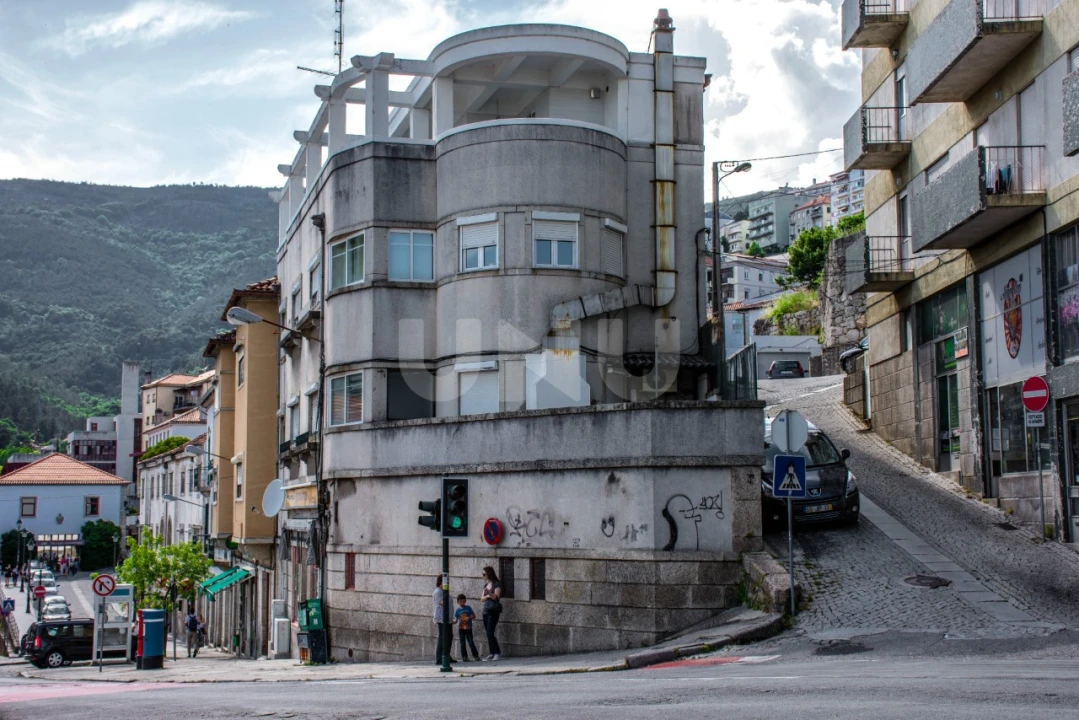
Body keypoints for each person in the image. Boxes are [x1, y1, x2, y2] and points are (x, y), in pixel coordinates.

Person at [480, 565, 503, 661]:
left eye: (484, 574)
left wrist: (488, 594)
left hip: (493, 611)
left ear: (489, 574)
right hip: (486, 610)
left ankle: (497, 652)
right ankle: (491, 652)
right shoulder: (486, 585)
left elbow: (496, 597)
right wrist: (487, 595)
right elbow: (482, 598)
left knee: (490, 632)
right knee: (487, 632)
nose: (483, 576)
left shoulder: (497, 584)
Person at [454, 594, 480, 662]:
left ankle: (476, 656)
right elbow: (456, 620)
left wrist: (469, 618)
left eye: (463, 601)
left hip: (468, 628)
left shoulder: (468, 608)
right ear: (458, 602)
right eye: (460, 601)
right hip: (461, 628)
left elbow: (474, 616)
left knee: (471, 642)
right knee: (462, 643)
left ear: (465, 601)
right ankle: (464, 657)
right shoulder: (457, 611)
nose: (462, 603)